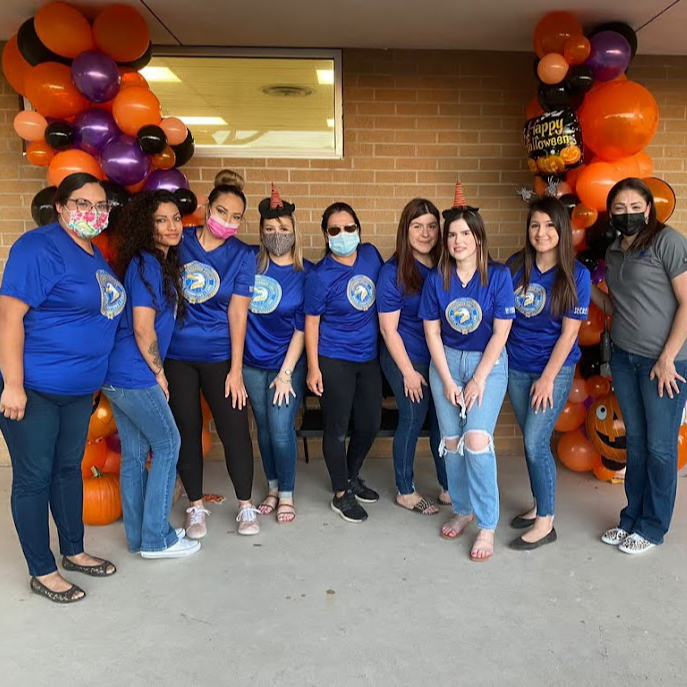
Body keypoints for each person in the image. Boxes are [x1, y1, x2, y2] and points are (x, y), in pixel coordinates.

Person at [0, 173, 125, 603]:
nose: (92, 212)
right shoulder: (38, 248)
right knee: (34, 478)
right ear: (60, 205)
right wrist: (13, 384)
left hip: (78, 392)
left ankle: (73, 550)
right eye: (82, 203)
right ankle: (43, 570)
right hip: (33, 388)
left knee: (67, 471)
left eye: (100, 205)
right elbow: (9, 318)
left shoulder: (93, 255)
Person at [419, 182, 515, 562]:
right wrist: (446, 379)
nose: (458, 240)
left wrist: (477, 379)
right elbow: (431, 330)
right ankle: (463, 508)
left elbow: (502, 332)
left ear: (478, 238)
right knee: (453, 444)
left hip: (486, 365)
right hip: (445, 362)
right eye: (452, 234)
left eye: (465, 233)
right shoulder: (437, 278)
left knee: (476, 440)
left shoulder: (499, 275)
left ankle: (487, 524)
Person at [102, 191, 200, 559]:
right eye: (162, 220)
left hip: (119, 372)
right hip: (133, 373)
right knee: (168, 443)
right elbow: (144, 329)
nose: (172, 226)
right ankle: (158, 539)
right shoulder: (146, 264)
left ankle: (139, 536)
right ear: (147, 225)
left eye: (176, 218)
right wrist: (159, 374)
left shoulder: (153, 262)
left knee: (135, 451)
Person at [592, 178, 687, 555]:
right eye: (619, 208)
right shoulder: (615, 251)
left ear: (648, 209)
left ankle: (652, 527)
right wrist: (583, 285)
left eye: (635, 206)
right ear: (611, 212)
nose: (628, 214)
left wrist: (666, 359)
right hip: (625, 359)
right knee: (636, 445)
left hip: (664, 364)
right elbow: (618, 307)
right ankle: (631, 518)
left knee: (661, 448)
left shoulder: (668, 242)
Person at [165, 181, 257, 538]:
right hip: (177, 356)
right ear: (206, 207)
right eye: (222, 212)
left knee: (235, 431)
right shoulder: (179, 243)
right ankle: (195, 507)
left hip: (220, 356)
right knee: (188, 431)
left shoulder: (242, 255)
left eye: (236, 217)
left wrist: (236, 369)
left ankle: (246, 508)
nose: (227, 221)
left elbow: (238, 313)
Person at [506, 196, 591, 550]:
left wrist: (546, 377)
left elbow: (570, 332)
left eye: (550, 226)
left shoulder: (576, 274)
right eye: (535, 225)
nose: (541, 233)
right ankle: (538, 503)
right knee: (532, 439)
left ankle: (546, 522)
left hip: (551, 370)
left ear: (563, 230)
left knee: (534, 441)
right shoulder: (515, 265)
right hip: (516, 365)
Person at [304, 202, 383, 523]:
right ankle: (340, 494)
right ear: (326, 234)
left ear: (358, 229)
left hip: (369, 358)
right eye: (335, 229)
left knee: (369, 424)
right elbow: (310, 322)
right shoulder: (321, 276)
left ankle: (351, 476)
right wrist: (312, 367)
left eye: (349, 228)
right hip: (334, 358)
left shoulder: (371, 256)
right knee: (336, 430)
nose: (343, 234)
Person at [378, 198, 449, 514]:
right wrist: (407, 372)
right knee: (413, 414)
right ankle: (405, 490)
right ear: (405, 231)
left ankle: (448, 485)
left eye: (432, 226)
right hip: (404, 354)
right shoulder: (394, 271)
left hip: (440, 357)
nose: (425, 233)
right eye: (417, 226)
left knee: (443, 421)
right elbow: (389, 330)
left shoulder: (448, 264)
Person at [244, 185, 309, 524]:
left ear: (294, 231)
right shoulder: (249, 266)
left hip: (288, 364)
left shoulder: (305, 273)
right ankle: (271, 486)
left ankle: (287, 492)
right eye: (270, 229)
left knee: (282, 428)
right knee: (265, 429)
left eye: (283, 229)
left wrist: (286, 372)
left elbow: (303, 326)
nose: (277, 235)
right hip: (251, 364)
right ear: (261, 233)